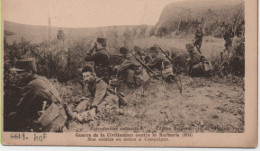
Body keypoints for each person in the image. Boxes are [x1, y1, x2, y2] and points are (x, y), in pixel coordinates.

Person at [5, 58, 67, 132]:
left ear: (29, 72)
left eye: (20, 72)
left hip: (50, 119)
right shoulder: (42, 79)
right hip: (59, 115)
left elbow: (21, 109)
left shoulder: (32, 85)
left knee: (11, 116)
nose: (17, 75)